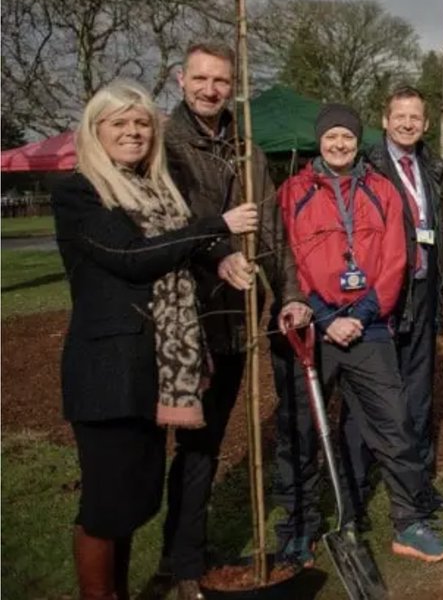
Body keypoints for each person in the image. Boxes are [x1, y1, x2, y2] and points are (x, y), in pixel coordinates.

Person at [52, 80, 258, 600]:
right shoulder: (81, 192)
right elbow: (131, 257)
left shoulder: (156, 191)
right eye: (119, 123)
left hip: (152, 370)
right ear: (95, 131)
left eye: (141, 123)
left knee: (130, 503)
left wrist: (220, 256)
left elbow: (172, 245)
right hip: (107, 372)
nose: (132, 132)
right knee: (103, 506)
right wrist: (219, 226)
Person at [160, 43, 311, 594]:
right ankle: (180, 561)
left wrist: (291, 293)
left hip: (234, 319)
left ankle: (183, 556)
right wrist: (217, 249)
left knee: (207, 439)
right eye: (200, 78)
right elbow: (164, 222)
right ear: (181, 80)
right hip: (180, 317)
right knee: (181, 446)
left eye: (221, 81)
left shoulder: (245, 149)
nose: (210, 89)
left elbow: (271, 229)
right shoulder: (165, 145)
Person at [278, 103, 443, 562]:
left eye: (348, 138)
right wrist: (323, 315)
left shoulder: (381, 191)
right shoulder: (294, 191)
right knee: (300, 430)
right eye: (331, 137)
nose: (339, 144)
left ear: (360, 142)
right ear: (320, 140)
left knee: (395, 425)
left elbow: (398, 258)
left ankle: (410, 523)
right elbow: (289, 260)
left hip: (369, 325)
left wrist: (365, 310)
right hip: (313, 327)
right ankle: (299, 527)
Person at [340, 87, 443, 523]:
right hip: (379, 296)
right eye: (399, 116)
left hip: (422, 292)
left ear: (426, 124)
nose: (408, 123)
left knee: (418, 396)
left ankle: (416, 485)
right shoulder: (366, 167)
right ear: (384, 121)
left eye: (415, 117)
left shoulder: (432, 167)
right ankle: (353, 495)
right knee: (367, 398)